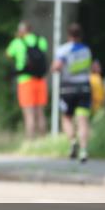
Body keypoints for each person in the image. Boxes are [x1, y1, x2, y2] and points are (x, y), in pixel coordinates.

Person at [52, 23, 93, 163]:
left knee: (66, 118)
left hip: (68, 88)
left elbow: (57, 66)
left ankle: (72, 141)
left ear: (68, 35)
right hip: (84, 88)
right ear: (80, 35)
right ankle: (83, 150)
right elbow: (92, 67)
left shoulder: (63, 50)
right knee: (82, 120)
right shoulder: (87, 50)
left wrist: (54, 69)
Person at [6, 21, 48, 139]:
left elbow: (8, 54)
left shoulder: (17, 42)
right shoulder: (40, 40)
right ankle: (43, 141)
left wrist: (17, 38)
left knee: (29, 114)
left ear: (21, 30)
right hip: (40, 80)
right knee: (40, 113)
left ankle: (30, 141)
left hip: (25, 81)